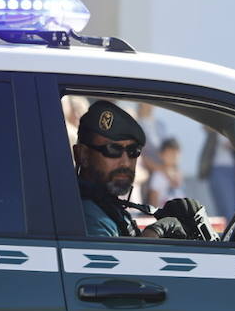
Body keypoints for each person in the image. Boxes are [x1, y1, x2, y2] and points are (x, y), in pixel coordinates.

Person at [73, 100, 207, 239]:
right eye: (113, 150)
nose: (126, 162)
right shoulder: (87, 216)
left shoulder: (107, 206)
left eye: (133, 151)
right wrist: (154, 232)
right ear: (83, 155)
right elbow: (111, 254)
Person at [144, 137, 183, 207]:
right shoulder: (158, 175)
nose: (173, 157)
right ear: (161, 155)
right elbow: (154, 196)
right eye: (170, 154)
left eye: (175, 153)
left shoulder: (178, 174)